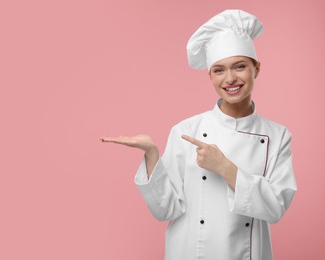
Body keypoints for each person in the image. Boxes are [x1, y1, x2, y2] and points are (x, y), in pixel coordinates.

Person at [101, 9, 297, 260]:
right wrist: (152, 154)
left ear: (256, 69)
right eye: (219, 70)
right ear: (210, 75)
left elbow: (275, 207)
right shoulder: (185, 131)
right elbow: (166, 209)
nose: (230, 78)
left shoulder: (278, 136)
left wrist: (226, 168)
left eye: (240, 67)